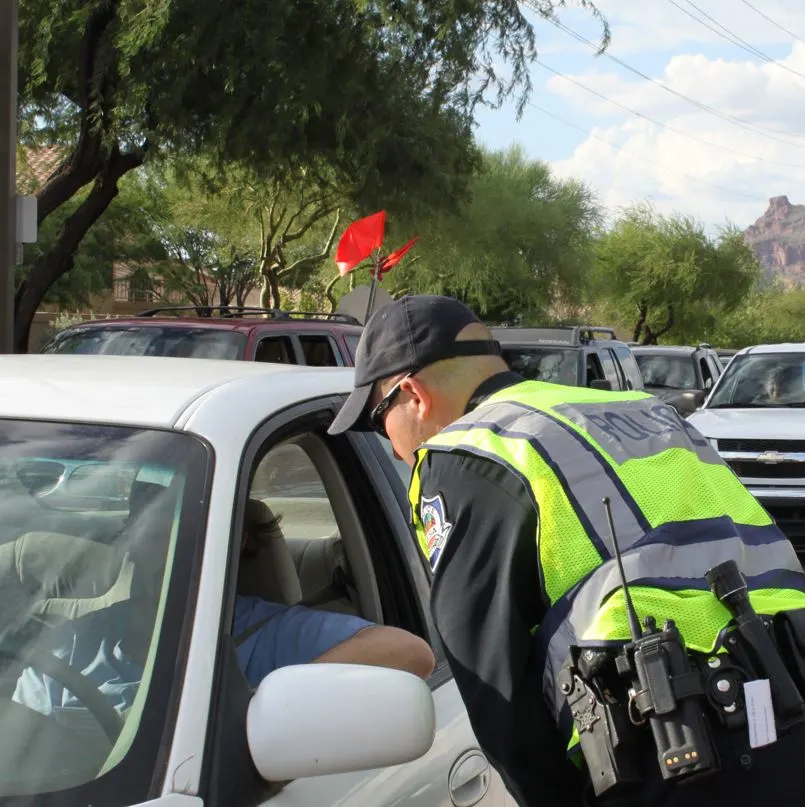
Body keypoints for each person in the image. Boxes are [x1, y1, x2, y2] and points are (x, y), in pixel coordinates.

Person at [328, 293, 805, 807]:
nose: (396, 449)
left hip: (674, 755)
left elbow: (495, 687)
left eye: (379, 422)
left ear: (413, 394)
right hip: (784, 705)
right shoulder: (641, 410)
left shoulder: (464, 456)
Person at [14, 504, 434, 717]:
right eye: (148, 528)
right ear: (127, 540)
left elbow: (409, 652)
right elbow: (26, 739)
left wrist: (258, 708)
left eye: (186, 527)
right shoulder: (75, 640)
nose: (166, 543)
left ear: (234, 545)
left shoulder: (271, 633)